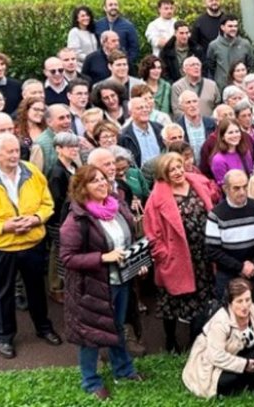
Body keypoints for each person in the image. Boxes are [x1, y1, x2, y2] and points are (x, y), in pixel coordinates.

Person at [0, 133, 61, 359]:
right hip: (2, 247)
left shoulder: (32, 172)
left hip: (32, 243)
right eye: (9, 152)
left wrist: (36, 218)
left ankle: (43, 328)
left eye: (16, 150)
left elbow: (47, 203)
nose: (15, 155)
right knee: (1, 294)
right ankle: (4, 337)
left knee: (36, 289)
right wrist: (3, 226)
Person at [59, 164, 144, 399]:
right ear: (82, 188)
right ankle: (90, 381)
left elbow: (130, 240)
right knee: (91, 335)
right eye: (94, 181)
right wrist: (102, 257)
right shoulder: (77, 220)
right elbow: (67, 258)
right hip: (91, 287)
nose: (102, 184)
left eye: (104, 179)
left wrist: (139, 260)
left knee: (117, 327)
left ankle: (124, 370)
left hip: (121, 281)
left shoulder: (117, 208)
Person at [144, 152, 217, 352]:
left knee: (201, 297)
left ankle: (197, 339)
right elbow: (152, 232)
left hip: (201, 254)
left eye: (179, 167)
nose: (177, 172)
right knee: (173, 302)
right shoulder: (157, 197)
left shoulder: (196, 183)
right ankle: (170, 339)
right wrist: (163, 255)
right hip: (176, 257)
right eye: (172, 170)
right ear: (163, 174)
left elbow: (213, 200)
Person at [182, 278, 254, 398]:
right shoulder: (220, 322)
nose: (245, 306)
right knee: (226, 382)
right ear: (230, 303)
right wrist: (244, 364)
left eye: (248, 300)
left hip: (239, 353)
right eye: (239, 301)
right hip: (213, 362)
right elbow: (215, 356)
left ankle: (247, 376)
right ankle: (244, 378)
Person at [205, 169, 254, 303]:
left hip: (253, 273)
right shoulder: (216, 215)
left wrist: (253, 264)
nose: (242, 192)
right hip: (228, 275)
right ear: (225, 189)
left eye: (245, 186)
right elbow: (212, 251)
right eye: (236, 188)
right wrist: (240, 267)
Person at [94, 0, 141, 65]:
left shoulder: (128, 26)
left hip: (121, 65)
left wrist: (126, 62)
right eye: (110, 5)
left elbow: (134, 48)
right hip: (101, 64)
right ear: (105, 8)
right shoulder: (98, 25)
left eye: (116, 5)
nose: (113, 7)